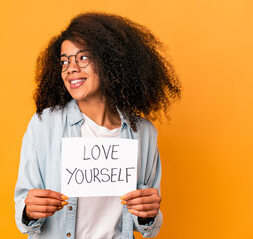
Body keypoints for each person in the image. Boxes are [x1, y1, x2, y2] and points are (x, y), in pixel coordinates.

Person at [14, 12, 181, 239]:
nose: (70, 68)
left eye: (82, 58)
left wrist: (147, 214)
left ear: (109, 60)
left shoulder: (143, 133)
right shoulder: (44, 125)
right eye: (64, 61)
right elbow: (24, 209)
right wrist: (29, 211)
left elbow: (146, 225)